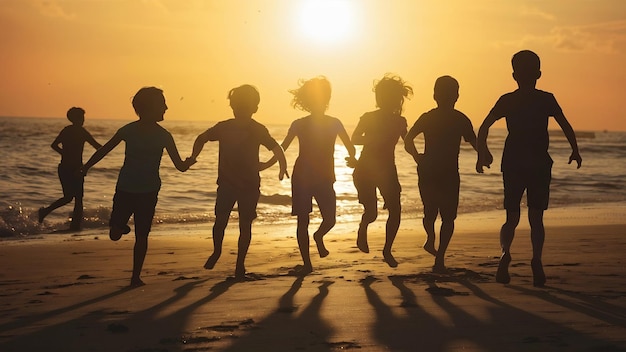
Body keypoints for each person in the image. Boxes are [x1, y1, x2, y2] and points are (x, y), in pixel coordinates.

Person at [476, 50, 582, 287]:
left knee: (511, 216)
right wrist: (575, 149)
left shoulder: (507, 100)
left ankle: (505, 252)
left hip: (513, 162)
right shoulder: (546, 99)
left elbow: (483, 127)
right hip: (539, 164)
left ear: (514, 75)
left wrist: (482, 152)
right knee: (536, 217)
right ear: (539, 74)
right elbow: (566, 126)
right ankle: (536, 260)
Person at [81, 87, 194, 287]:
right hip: (125, 189)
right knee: (115, 235)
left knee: (142, 234)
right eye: (162, 104)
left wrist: (189, 162)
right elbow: (104, 150)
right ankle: (118, 226)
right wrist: (86, 167)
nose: (167, 107)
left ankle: (135, 277)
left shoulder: (164, 135)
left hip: (149, 192)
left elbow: (179, 167)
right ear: (150, 108)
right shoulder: (128, 130)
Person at [190, 84, 288, 280]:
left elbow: (200, 139)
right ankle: (229, 259)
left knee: (231, 223)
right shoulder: (226, 127)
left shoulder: (248, 129)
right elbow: (278, 150)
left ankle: (235, 262)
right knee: (230, 222)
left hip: (246, 185)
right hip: (231, 184)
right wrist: (277, 166)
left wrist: (193, 157)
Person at [261, 76, 356, 275]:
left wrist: (353, 160)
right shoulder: (298, 124)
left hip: (325, 177)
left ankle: (319, 237)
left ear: (326, 100)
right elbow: (282, 148)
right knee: (302, 221)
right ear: (308, 101)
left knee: (330, 220)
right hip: (302, 176)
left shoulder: (335, 123)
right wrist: (267, 164)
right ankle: (307, 263)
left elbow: (350, 147)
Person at [404, 75, 477, 273]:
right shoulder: (458, 118)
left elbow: (408, 141)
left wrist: (418, 158)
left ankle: (435, 248)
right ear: (457, 96)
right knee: (445, 217)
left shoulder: (432, 117)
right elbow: (475, 143)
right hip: (445, 172)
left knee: (433, 213)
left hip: (430, 169)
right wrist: (482, 157)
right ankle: (438, 252)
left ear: (435, 95)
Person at [351, 74, 412, 268]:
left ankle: (387, 250)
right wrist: (372, 140)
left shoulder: (400, 121)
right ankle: (362, 229)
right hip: (365, 169)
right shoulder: (368, 117)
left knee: (396, 210)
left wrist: (420, 158)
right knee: (372, 214)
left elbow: (408, 144)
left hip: (387, 170)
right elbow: (354, 138)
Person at [39, 107, 102, 230]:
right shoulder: (81, 131)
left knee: (72, 198)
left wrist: (64, 153)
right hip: (74, 169)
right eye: (81, 117)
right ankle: (72, 224)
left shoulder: (66, 130)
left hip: (67, 168)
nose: (83, 120)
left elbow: (54, 145)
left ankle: (72, 224)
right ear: (76, 119)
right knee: (75, 198)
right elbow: (97, 147)